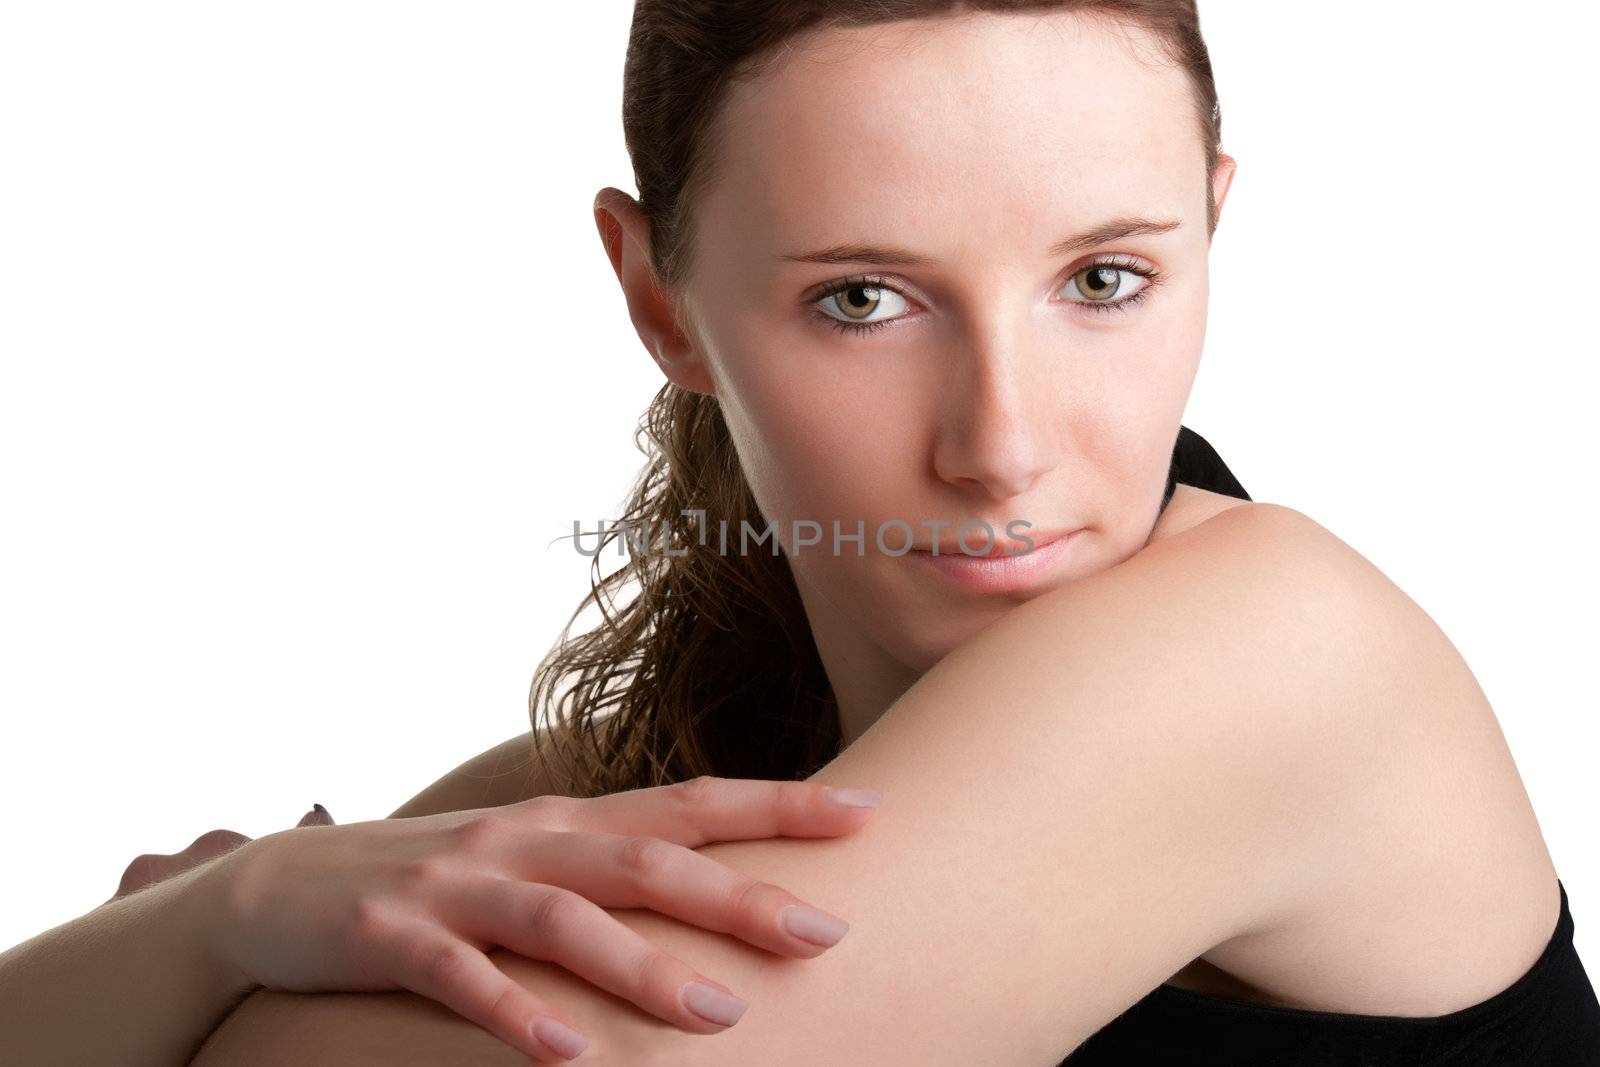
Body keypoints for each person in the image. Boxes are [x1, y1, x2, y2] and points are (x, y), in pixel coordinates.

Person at [4, 2, 1597, 1064]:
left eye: (1105, 282)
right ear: (658, 301)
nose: (1004, 446)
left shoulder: (1272, 654)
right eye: (865, 299)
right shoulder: (717, 719)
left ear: (1213, 230)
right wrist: (243, 911)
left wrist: (201, 949)